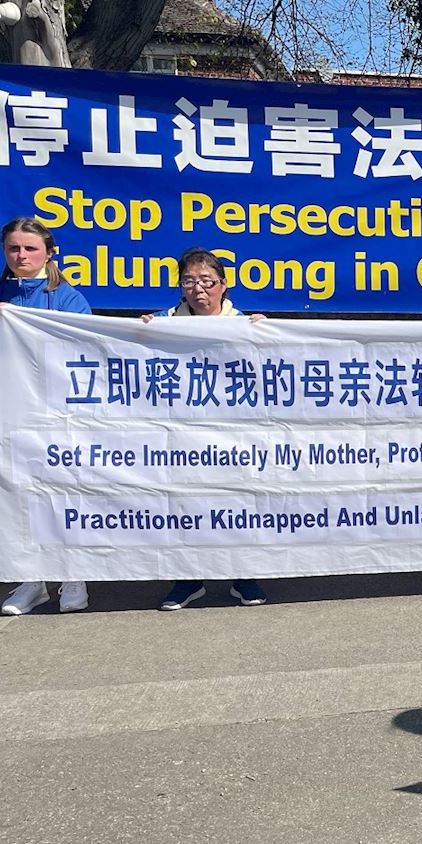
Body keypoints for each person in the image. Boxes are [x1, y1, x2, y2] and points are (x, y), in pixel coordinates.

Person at [142, 247, 269, 610]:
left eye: (207, 281)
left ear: (223, 285)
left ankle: (242, 577)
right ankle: (188, 579)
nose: (199, 289)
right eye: (189, 281)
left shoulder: (244, 324)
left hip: (231, 434)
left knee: (236, 501)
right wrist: (139, 332)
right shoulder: (164, 322)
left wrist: (268, 333)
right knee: (184, 504)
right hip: (182, 435)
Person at [0, 217, 92, 615]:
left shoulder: (68, 298)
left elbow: (84, 349)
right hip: (8, 411)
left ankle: (74, 576)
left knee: (63, 492)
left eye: (30, 248)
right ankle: (31, 581)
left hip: (56, 411)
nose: (21, 255)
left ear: (49, 253)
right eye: (14, 248)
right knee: (17, 496)